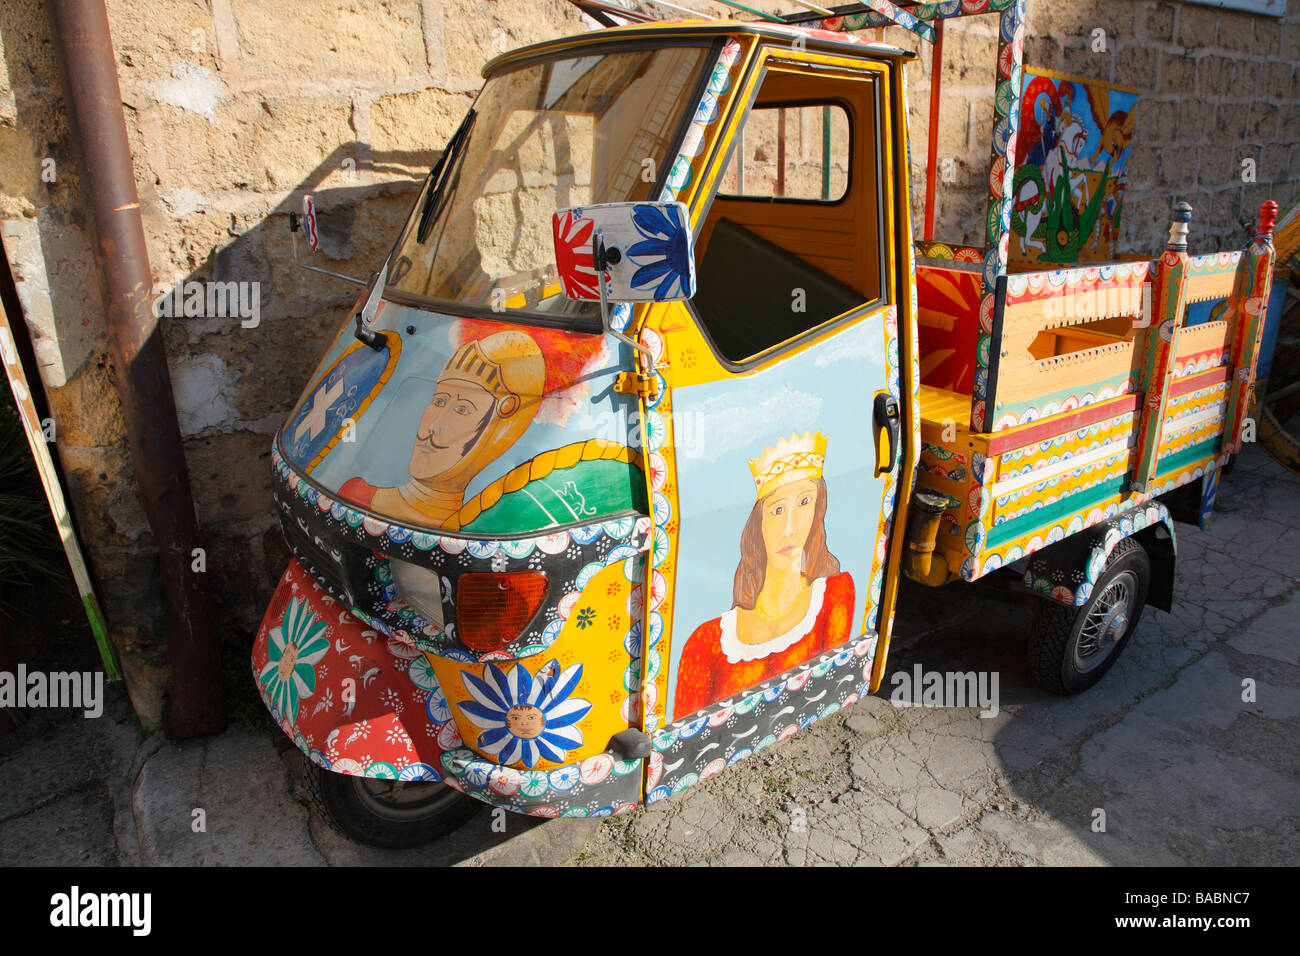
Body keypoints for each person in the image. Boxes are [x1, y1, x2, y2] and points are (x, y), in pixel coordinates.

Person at [674, 431, 855, 718]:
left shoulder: (834, 597)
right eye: (777, 510)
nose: (790, 528)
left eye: (805, 503)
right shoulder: (706, 645)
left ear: (819, 509)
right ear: (756, 523)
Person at [340, 329, 545, 530]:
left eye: (462, 409)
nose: (433, 426)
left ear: (501, 427)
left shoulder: (490, 531)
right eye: (439, 401)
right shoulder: (357, 493)